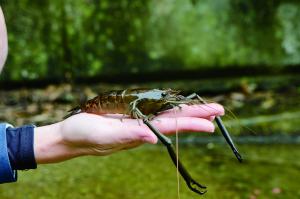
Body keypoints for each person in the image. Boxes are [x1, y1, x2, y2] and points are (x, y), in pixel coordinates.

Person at [0, 6, 224, 183]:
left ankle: (233, 149)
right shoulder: (116, 103)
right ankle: (188, 179)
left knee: (191, 103)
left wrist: (19, 145)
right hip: (106, 103)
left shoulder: (159, 97)